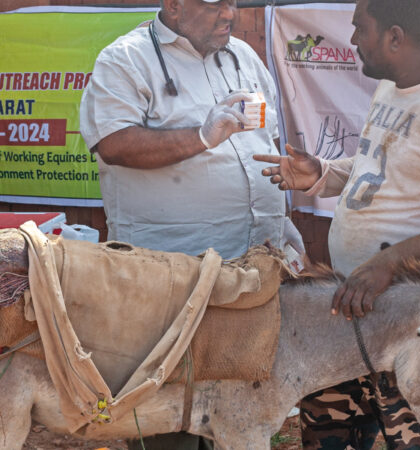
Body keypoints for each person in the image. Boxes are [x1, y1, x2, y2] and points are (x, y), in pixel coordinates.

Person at [254, 0, 420, 448]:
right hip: (350, 309)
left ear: (395, 36)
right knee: (332, 440)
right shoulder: (394, 87)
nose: (353, 40)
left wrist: (388, 263)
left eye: (360, 29)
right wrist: (324, 174)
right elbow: (381, 167)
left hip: (413, 324)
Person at [79, 0, 303, 448]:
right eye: (213, 4)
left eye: (233, 3)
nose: (228, 13)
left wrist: (286, 227)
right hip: (170, 278)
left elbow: (265, 142)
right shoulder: (126, 59)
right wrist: (201, 136)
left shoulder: (244, 56)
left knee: (238, 409)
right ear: (175, 6)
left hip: (249, 274)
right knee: (168, 413)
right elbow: (114, 143)